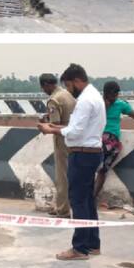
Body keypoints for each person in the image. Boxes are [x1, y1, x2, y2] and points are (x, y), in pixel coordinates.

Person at [38, 64, 106, 261]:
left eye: (69, 85)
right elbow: (78, 127)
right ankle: (93, 244)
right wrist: (55, 126)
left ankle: (80, 248)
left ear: (76, 81)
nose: (68, 90)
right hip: (92, 152)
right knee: (87, 200)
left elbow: (75, 132)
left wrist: (51, 129)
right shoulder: (94, 96)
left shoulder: (85, 100)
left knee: (78, 200)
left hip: (82, 154)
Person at [95, 81, 134, 199]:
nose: (114, 98)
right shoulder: (97, 104)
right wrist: (103, 107)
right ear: (105, 94)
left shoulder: (120, 104)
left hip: (110, 140)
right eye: (112, 95)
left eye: (116, 95)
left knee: (102, 170)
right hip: (96, 139)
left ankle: (92, 196)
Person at [39, 73, 77, 218]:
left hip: (62, 139)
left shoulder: (54, 100)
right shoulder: (67, 94)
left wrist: (43, 124)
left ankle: (63, 210)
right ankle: (64, 205)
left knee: (62, 176)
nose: (44, 91)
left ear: (47, 85)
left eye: (43, 88)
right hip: (74, 137)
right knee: (71, 175)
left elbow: (54, 125)